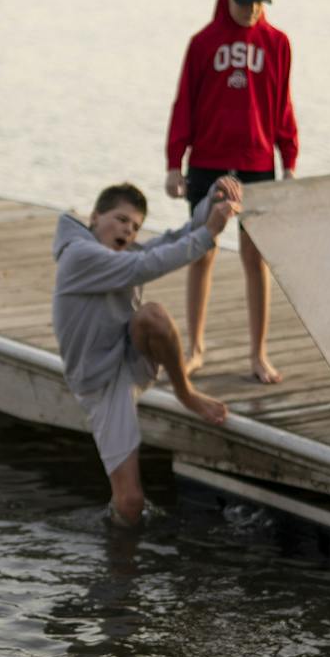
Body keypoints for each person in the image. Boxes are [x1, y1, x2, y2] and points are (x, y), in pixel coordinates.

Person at [52, 177, 243, 525]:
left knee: (151, 315)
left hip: (129, 356)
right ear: (95, 218)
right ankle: (123, 566)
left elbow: (172, 239)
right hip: (101, 383)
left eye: (136, 226)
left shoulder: (123, 252)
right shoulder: (80, 256)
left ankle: (185, 393)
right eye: (121, 220)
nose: (129, 230)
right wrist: (208, 235)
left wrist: (210, 201)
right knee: (130, 503)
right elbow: (145, 266)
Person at [164, 0, 297, 384]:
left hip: (257, 164)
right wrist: (174, 162)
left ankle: (258, 354)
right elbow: (184, 103)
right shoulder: (202, 44)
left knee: (255, 259)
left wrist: (289, 159)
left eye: (259, 2)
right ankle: (195, 348)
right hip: (206, 162)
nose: (253, 9)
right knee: (202, 252)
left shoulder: (278, 44)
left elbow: (283, 105)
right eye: (244, 2)